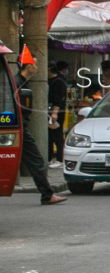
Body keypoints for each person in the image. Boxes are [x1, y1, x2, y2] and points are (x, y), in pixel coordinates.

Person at [16, 58, 66, 205]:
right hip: (18, 128)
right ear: (29, 66)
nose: (37, 68)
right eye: (35, 65)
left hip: (18, 126)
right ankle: (47, 194)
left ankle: (47, 194)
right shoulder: (18, 82)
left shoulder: (19, 81)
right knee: (37, 161)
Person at [47, 60, 69, 165]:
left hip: (57, 112)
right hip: (50, 111)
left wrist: (54, 113)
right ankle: (49, 158)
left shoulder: (59, 81)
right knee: (50, 135)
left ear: (50, 69)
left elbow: (58, 99)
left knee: (57, 135)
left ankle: (60, 159)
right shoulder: (48, 80)